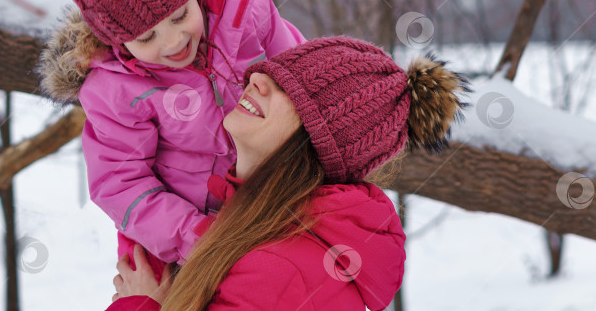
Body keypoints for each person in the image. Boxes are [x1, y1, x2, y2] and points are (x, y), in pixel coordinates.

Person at [33, 0, 306, 280]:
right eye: (146, 37)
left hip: (274, 194)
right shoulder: (115, 90)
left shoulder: (247, 13)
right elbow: (121, 181)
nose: (174, 41)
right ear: (117, 41)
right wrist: (197, 236)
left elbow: (304, 78)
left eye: (180, 15)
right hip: (180, 240)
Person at [106, 36, 470, 310]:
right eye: (272, 71)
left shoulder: (279, 272)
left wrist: (140, 305)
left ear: (316, 144)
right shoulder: (253, 225)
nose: (258, 79)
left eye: (290, 91)